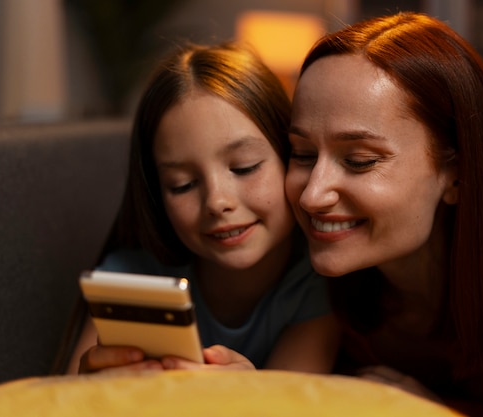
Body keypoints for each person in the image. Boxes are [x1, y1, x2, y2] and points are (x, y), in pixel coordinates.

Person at [284, 11, 483, 417]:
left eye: (360, 161)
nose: (312, 196)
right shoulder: (301, 265)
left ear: (457, 174)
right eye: (302, 154)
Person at [68, 41, 338, 375]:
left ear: (293, 158)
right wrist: (84, 391)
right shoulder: (131, 280)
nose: (216, 202)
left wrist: (250, 396)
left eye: (244, 167)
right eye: (182, 184)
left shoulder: (318, 283)